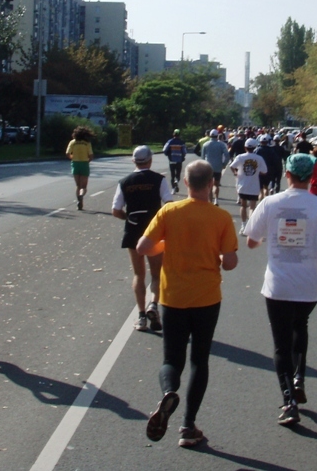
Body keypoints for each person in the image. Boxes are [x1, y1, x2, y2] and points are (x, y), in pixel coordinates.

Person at [138, 160, 238, 448]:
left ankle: (169, 391)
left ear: (185, 183)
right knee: (199, 360)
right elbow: (229, 262)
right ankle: (187, 425)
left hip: (173, 296)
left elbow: (145, 247)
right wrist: (219, 257)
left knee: (171, 359)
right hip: (206, 297)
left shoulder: (169, 211)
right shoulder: (220, 217)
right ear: (211, 184)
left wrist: (166, 245)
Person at [245, 153, 317, 426]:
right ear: (311, 177)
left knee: (281, 344)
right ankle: (299, 377)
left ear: (287, 174)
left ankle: (289, 401)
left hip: (278, 283)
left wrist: (268, 242)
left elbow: (251, 241)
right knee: (301, 326)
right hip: (309, 282)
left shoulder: (270, 203)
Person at [112, 145, 174, 331]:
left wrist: (128, 218)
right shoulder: (159, 180)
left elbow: (116, 210)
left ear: (133, 161)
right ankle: (153, 304)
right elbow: (169, 205)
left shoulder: (124, 182)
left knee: (139, 274)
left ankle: (141, 317)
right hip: (154, 232)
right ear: (150, 160)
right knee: (157, 274)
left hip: (133, 231)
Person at [230, 138, 268, 234]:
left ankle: (243, 226)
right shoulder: (259, 158)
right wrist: (257, 172)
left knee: (243, 206)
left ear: (245, 147)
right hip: (254, 186)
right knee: (252, 207)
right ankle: (250, 226)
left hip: (242, 185)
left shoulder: (240, 157)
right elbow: (265, 171)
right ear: (255, 147)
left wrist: (235, 173)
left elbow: (232, 166)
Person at [66, 126, 94, 209]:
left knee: (78, 185)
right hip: (84, 164)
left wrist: (72, 158)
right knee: (83, 186)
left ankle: (79, 202)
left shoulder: (72, 142)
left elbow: (67, 153)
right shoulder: (87, 143)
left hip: (75, 163)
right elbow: (91, 156)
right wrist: (87, 161)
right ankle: (81, 196)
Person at [201, 129, 230, 205]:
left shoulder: (205, 144)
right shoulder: (221, 145)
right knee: (216, 184)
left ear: (210, 135)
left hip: (208, 167)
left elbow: (202, 157)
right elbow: (227, 155)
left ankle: (210, 202)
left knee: (209, 185)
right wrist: (224, 164)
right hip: (218, 166)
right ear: (217, 136)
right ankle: (216, 199)